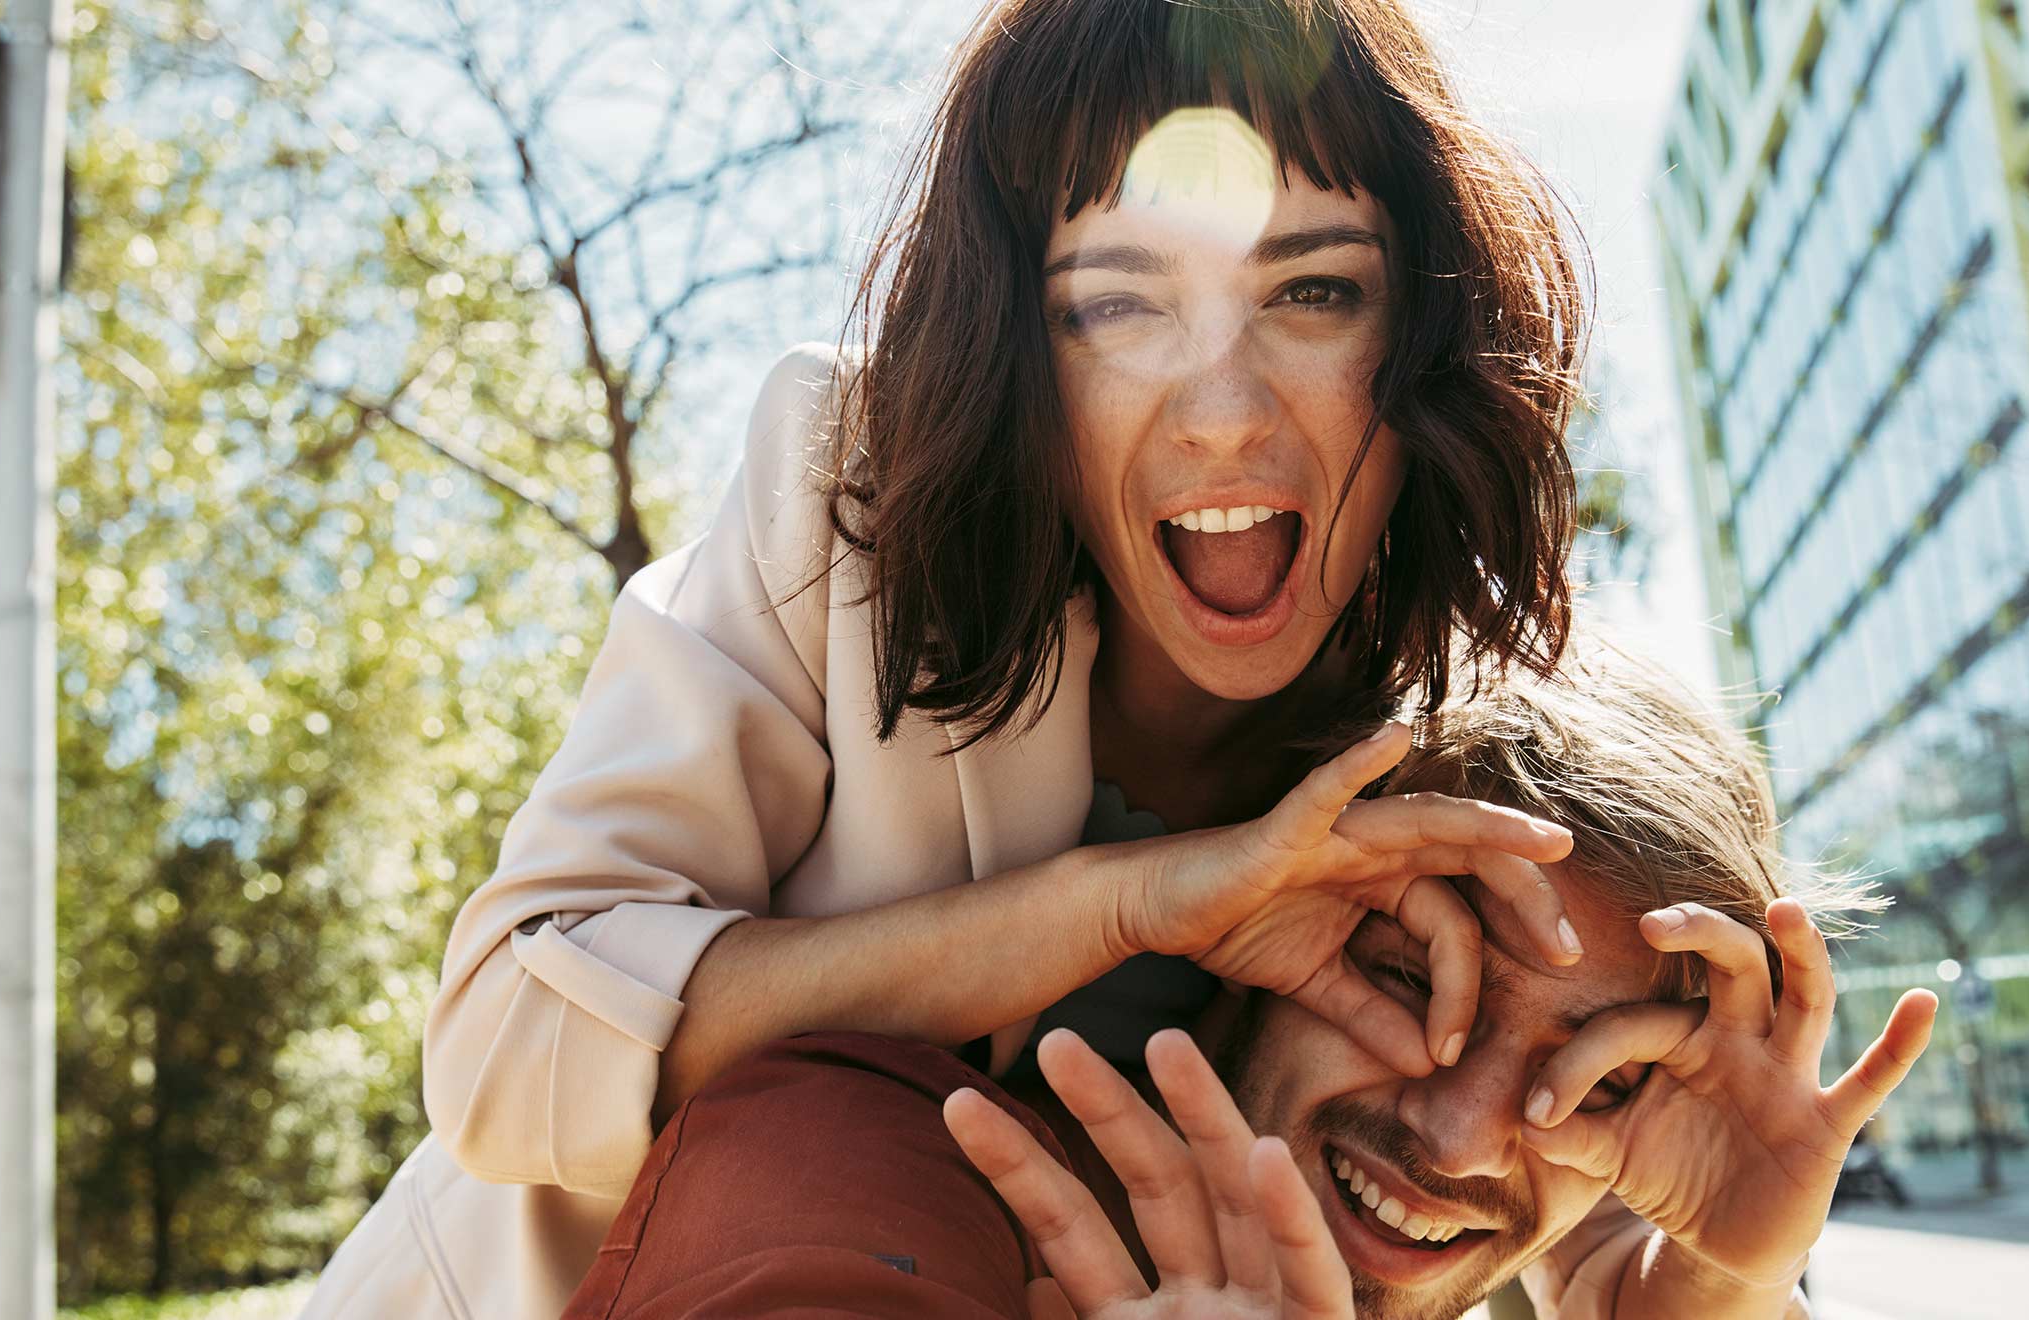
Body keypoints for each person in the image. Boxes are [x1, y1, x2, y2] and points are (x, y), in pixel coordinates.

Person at [302, 1, 1596, 1312]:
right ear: (1022, 359)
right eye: (1116, 303)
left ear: (1421, 336)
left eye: (1314, 291)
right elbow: (507, 1048)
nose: (1221, 415)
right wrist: (1122, 904)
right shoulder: (853, 496)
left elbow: (1581, 1141)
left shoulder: (1474, 726)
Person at [559, 646, 1941, 1319]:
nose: (1461, 1134)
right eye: (1416, 983)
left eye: (1602, 1079)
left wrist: (1713, 1287)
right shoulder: (864, 1153)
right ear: (1253, 936)